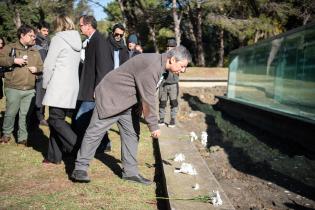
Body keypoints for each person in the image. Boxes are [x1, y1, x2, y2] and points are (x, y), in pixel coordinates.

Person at [71, 45, 191, 185]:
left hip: (127, 102)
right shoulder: (152, 65)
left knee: (131, 134)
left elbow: (144, 88)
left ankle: (130, 172)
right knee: (95, 132)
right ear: (172, 60)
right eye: (182, 66)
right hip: (112, 97)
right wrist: (153, 125)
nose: (183, 70)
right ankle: (80, 168)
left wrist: (139, 105)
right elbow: (148, 98)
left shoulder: (162, 67)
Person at [42, 15, 81, 164]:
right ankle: (54, 156)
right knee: (57, 120)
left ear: (58, 25)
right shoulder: (77, 40)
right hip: (71, 86)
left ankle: (78, 147)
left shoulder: (58, 39)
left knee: (55, 119)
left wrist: (45, 84)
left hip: (58, 85)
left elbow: (49, 65)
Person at [0, 25, 43, 145]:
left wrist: (37, 69)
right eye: (31, 35)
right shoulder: (10, 47)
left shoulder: (35, 50)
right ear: (22, 35)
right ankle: (6, 134)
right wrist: (13, 61)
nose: (33, 38)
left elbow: (41, 66)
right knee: (10, 113)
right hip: (13, 87)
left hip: (29, 89)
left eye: (34, 36)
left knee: (25, 115)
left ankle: (22, 137)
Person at [158, 38, 180, 127]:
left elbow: (182, 69)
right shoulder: (163, 56)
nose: (169, 48)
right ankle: (161, 119)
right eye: (168, 46)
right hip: (163, 84)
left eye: (171, 46)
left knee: (174, 103)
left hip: (173, 84)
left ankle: (173, 120)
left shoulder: (179, 57)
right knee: (162, 102)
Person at [34, 21, 50, 126]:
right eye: (44, 30)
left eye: (48, 31)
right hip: (37, 72)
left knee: (43, 96)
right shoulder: (35, 41)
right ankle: (38, 118)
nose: (46, 32)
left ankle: (41, 116)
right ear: (38, 30)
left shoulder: (46, 41)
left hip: (45, 72)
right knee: (38, 96)